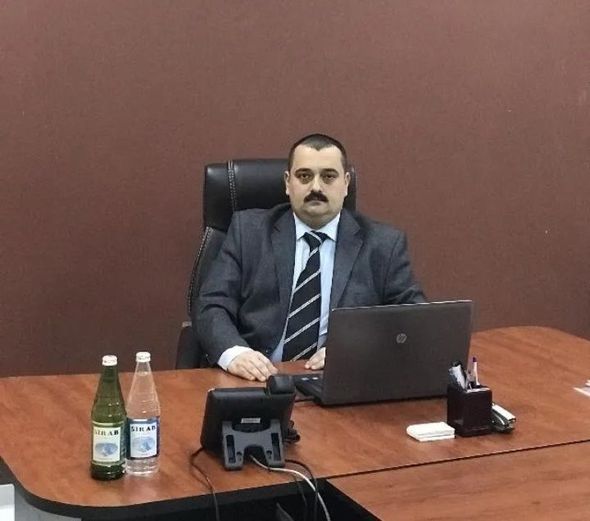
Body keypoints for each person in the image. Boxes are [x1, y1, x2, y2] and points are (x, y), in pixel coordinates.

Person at [194, 134, 425, 382]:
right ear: (287, 182)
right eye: (304, 176)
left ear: (346, 183)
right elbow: (212, 305)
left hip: (339, 382)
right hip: (255, 380)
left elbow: (414, 319)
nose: (316, 187)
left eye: (328, 176)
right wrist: (235, 353)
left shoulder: (383, 244)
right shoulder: (248, 232)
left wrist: (356, 349)